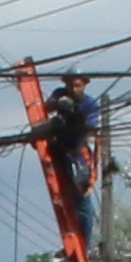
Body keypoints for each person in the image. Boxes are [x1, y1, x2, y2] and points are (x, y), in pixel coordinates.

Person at [35, 76, 101, 247]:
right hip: (60, 147)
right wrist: (58, 103)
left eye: (77, 85)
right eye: (70, 85)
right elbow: (46, 107)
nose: (73, 89)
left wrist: (73, 112)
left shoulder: (90, 104)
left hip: (77, 154)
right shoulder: (61, 93)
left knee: (81, 200)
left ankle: (83, 245)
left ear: (84, 85)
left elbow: (90, 128)